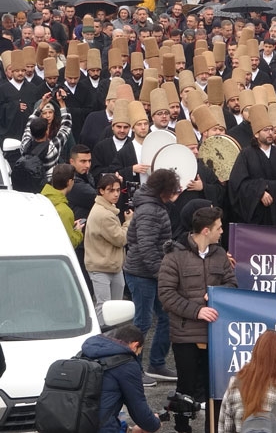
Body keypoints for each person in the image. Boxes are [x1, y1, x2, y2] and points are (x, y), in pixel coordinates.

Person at [159, 206, 238, 433]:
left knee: (216, 388)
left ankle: (212, 429)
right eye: (219, 227)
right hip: (186, 335)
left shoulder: (220, 254)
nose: (222, 231)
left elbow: (232, 284)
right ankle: (182, 428)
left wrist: (217, 293)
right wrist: (197, 311)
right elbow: (166, 295)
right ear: (206, 230)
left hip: (216, 334)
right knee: (186, 388)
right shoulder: (174, 256)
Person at [123, 168, 182, 386]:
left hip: (149, 271)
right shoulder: (150, 210)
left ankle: (156, 364)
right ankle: (134, 370)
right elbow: (147, 246)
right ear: (164, 190)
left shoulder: (153, 206)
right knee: (143, 321)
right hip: (142, 273)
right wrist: (162, 273)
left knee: (165, 317)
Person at [80, 324, 163, 433]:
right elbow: (138, 408)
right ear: (135, 345)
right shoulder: (127, 364)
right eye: (139, 351)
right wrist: (154, 423)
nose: (137, 355)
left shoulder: (85, 353)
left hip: (74, 423)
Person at [85, 174, 133, 325]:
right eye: (111, 190)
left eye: (118, 190)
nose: (116, 194)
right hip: (102, 266)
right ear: (101, 191)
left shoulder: (105, 209)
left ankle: (110, 338)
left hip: (110, 265)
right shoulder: (104, 214)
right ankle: (101, 340)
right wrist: (128, 223)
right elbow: (121, 239)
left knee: (112, 309)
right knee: (105, 308)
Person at [41, 164, 84, 248]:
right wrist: (78, 232)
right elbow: (69, 243)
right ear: (69, 182)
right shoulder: (65, 211)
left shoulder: (41, 200)